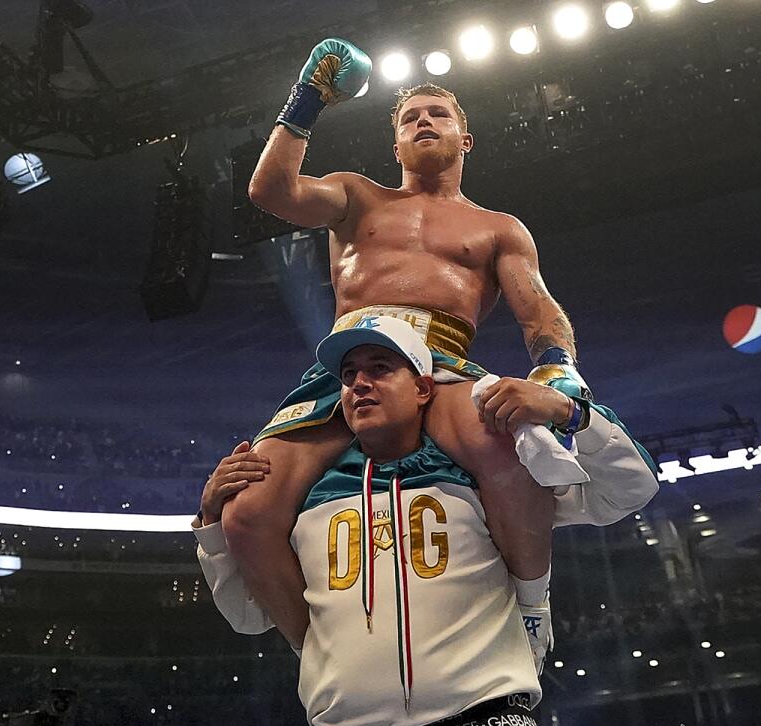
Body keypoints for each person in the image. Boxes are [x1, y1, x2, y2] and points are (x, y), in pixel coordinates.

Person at [218, 38, 592, 650]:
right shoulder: (354, 195)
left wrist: (558, 368)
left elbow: (538, 309)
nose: (423, 121)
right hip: (351, 360)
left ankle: (532, 604)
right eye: (409, 117)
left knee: (507, 456)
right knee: (247, 513)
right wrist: (308, 99)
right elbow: (272, 193)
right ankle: (313, 650)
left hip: (438, 363)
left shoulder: (498, 228)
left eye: (437, 115)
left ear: (464, 141)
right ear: (394, 144)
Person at [194, 316, 658, 726]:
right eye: (349, 374)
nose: (359, 383)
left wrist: (569, 411)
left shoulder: (489, 478)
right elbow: (248, 617)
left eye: (380, 368)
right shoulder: (306, 505)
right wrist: (211, 523)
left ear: (422, 388)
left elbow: (631, 488)